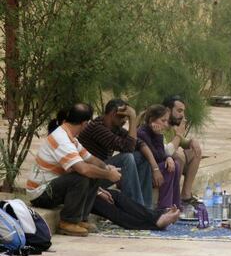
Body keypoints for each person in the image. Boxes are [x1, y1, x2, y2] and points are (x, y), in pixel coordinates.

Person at [48, 112, 180, 231]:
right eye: (122, 116)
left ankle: (156, 217)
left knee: (116, 197)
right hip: (62, 191)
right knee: (110, 207)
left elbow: (91, 160)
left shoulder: (73, 140)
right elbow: (83, 170)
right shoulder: (72, 136)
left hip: (76, 188)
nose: (124, 120)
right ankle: (154, 222)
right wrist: (104, 179)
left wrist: (105, 171)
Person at [27, 104, 122, 237]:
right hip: (40, 194)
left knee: (94, 172)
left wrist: (106, 168)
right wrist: (108, 175)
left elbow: (90, 158)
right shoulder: (61, 139)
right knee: (81, 176)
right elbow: (83, 169)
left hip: (52, 187)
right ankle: (67, 222)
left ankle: (80, 219)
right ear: (84, 123)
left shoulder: (70, 137)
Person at [78, 99, 153, 208]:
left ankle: (146, 208)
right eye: (122, 117)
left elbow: (139, 143)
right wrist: (133, 119)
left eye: (126, 118)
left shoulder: (115, 127)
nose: (124, 121)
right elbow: (128, 148)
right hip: (90, 176)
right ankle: (136, 210)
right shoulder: (96, 127)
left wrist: (155, 167)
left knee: (141, 157)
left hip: (104, 170)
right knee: (127, 158)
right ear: (113, 113)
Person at [137, 105, 181, 210]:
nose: (166, 124)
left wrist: (168, 158)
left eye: (167, 121)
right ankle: (165, 207)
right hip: (144, 172)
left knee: (176, 165)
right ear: (152, 119)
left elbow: (161, 154)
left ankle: (176, 205)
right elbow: (158, 156)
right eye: (163, 120)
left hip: (152, 168)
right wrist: (158, 135)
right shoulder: (142, 133)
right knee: (168, 168)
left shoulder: (154, 133)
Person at [162, 95, 202, 206]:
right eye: (179, 111)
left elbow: (184, 142)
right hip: (161, 164)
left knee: (195, 151)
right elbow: (166, 151)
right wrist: (179, 134)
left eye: (183, 111)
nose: (182, 115)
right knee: (178, 156)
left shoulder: (172, 127)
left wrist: (192, 141)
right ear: (168, 110)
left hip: (172, 161)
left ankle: (186, 195)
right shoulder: (160, 125)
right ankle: (174, 198)